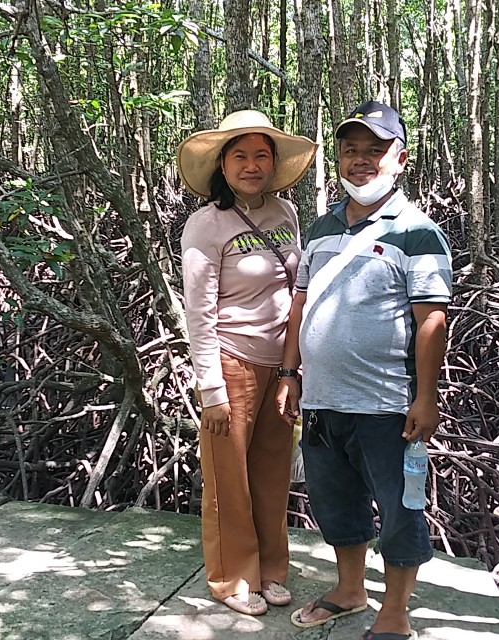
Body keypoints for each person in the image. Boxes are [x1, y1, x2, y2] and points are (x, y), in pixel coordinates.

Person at [276, 100, 454, 640]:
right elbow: (301, 306)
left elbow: (432, 319)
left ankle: (395, 612)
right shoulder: (321, 228)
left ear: (400, 158)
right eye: (351, 150)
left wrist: (426, 397)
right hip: (322, 400)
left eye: (375, 150)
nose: (361, 160)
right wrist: (289, 374)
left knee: (399, 509)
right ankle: (350, 591)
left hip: (387, 404)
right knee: (336, 503)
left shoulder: (418, 232)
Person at [176, 110, 317, 616]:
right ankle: (233, 578)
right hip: (231, 363)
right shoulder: (206, 224)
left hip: (281, 365)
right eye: (240, 156)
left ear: (274, 163)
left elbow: (295, 290)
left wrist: (294, 368)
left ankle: (272, 570)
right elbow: (199, 311)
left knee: (272, 473)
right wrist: (211, 388)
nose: (252, 165)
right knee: (228, 480)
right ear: (223, 164)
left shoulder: (285, 213)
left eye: (261, 155)